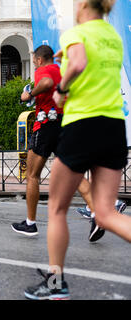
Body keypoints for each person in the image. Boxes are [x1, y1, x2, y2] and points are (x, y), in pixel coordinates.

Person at [25, 0, 131, 300]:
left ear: (82, 3)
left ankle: (56, 284)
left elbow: (80, 62)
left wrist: (61, 90)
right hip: (113, 126)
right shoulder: (113, 36)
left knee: (57, 208)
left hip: (82, 124)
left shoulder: (77, 33)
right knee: (107, 213)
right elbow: (91, 60)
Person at [11, 45, 63, 235]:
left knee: (32, 176)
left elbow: (46, 83)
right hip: (62, 122)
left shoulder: (43, 70)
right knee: (72, 171)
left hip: (45, 125)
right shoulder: (60, 70)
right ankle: (97, 210)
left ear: (39, 59)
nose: (34, 65)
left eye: (34, 62)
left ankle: (30, 223)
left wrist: (29, 94)